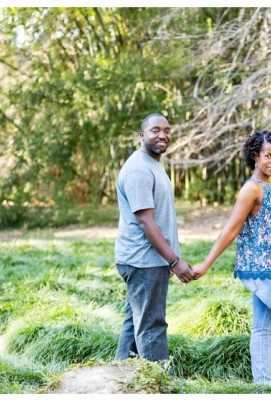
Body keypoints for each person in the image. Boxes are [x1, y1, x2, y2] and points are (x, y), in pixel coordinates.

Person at [191, 129, 271, 387]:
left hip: (265, 271)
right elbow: (231, 229)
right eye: (268, 155)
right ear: (255, 156)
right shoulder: (252, 189)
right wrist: (205, 264)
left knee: (263, 329)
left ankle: (262, 388)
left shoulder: (266, 188)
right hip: (267, 272)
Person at [114, 113, 196, 365]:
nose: (163, 135)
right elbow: (145, 222)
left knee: (136, 320)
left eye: (167, 130)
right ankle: (159, 385)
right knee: (152, 326)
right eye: (155, 130)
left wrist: (165, 260)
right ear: (142, 135)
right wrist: (173, 261)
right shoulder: (139, 170)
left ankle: (119, 377)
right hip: (143, 261)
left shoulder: (151, 164)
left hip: (150, 260)